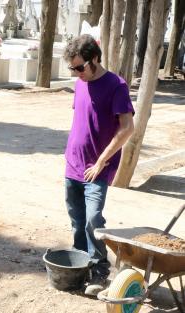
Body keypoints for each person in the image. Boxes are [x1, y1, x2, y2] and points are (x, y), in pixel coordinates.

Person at [63, 34, 134, 296]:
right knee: (77, 221)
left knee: (93, 219)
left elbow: (128, 128)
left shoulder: (116, 85)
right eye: (72, 67)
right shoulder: (80, 83)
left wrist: (102, 161)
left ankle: (100, 270)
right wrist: (70, 155)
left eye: (80, 67)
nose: (76, 72)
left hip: (97, 169)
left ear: (95, 59)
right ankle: (80, 268)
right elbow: (82, 121)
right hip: (73, 164)